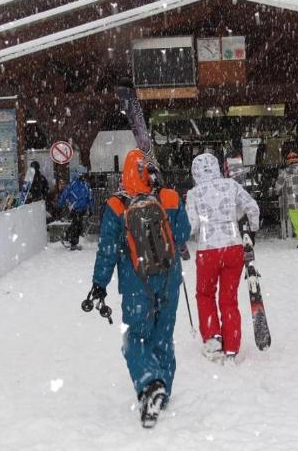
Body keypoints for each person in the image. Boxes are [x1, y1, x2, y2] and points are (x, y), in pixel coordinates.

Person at [86, 149, 191, 428]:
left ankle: (148, 382)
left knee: (135, 337)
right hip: (169, 277)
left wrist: (99, 284)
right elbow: (182, 234)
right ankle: (162, 390)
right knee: (163, 334)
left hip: (136, 281)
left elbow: (107, 249)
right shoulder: (169, 197)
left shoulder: (116, 205)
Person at [186, 153, 260, 363]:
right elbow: (252, 207)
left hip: (207, 250)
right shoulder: (231, 186)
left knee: (205, 294)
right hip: (233, 247)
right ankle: (232, 346)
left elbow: (192, 226)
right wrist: (252, 230)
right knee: (229, 299)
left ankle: (213, 337)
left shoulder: (194, 194)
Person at [56, 165, 91, 251]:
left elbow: (89, 197)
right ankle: (72, 242)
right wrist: (59, 205)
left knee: (78, 225)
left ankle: (67, 237)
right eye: (82, 174)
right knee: (77, 225)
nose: (83, 176)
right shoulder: (74, 184)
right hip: (75, 208)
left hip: (81, 208)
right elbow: (65, 195)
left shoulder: (85, 185)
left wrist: (90, 208)